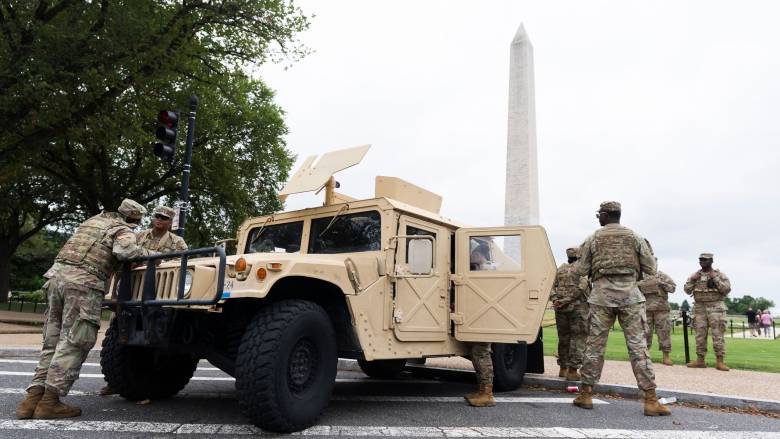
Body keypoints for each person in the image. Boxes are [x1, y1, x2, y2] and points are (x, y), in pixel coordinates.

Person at [16, 199, 156, 420]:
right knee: (75, 341)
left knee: (52, 341)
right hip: (83, 284)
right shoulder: (121, 229)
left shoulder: (92, 222)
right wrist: (149, 253)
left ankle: (31, 400)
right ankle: (49, 403)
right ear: (133, 219)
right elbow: (126, 252)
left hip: (55, 279)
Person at [573, 201, 669, 416]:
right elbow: (651, 268)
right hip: (631, 298)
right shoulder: (636, 237)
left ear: (606, 215)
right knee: (638, 348)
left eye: (599, 214)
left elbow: (580, 270)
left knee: (594, 347)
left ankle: (586, 394)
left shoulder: (592, 238)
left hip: (601, 298)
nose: (598, 218)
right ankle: (651, 400)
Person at [99, 205, 188, 398]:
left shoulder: (177, 242)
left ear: (170, 222)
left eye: (164, 218)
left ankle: (134, 380)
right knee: (119, 332)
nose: (159, 219)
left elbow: (182, 264)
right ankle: (115, 381)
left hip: (161, 292)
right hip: (133, 290)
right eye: (157, 216)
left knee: (158, 332)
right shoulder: (139, 236)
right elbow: (125, 254)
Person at [683, 253, 732, 371]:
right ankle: (700, 360)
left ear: (711, 261)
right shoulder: (695, 275)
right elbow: (687, 290)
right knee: (700, 335)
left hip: (716, 307)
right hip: (699, 308)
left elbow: (726, 289)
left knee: (718, 335)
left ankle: (720, 361)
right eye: (700, 260)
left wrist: (715, 278)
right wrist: (692, 280)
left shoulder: (720, 275)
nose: (702, 262)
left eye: (705, 260)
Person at [463, 240, 495, 407]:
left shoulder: (487, 270)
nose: (471, 257)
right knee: (478, 353)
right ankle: (483, 391)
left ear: (479, 254)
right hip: (482, 318)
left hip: (484, 319)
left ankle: (487, 394)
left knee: (481, 353)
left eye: (473, 254)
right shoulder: (484, 268)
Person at [551, 247, 590, 381]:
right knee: (578, 339)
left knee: (563, 338)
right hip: (578, 309)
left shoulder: (560, 269)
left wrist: (556, 300)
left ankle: (563, 368)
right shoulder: (582, 270)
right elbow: (581, 288)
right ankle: (573, 371)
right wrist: (565, 301)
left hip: (560, 309)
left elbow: (551, 287)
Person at [637, 260, 676, 365]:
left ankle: (666, 357)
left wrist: (661, 283)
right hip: (646, 310)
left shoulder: (662, 276)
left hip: (661, 310)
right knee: (645, 334)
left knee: (664, 333)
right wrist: (640, 284)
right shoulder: (640, 276)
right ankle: (645, 356)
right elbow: (632, 289)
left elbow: (673, 288)